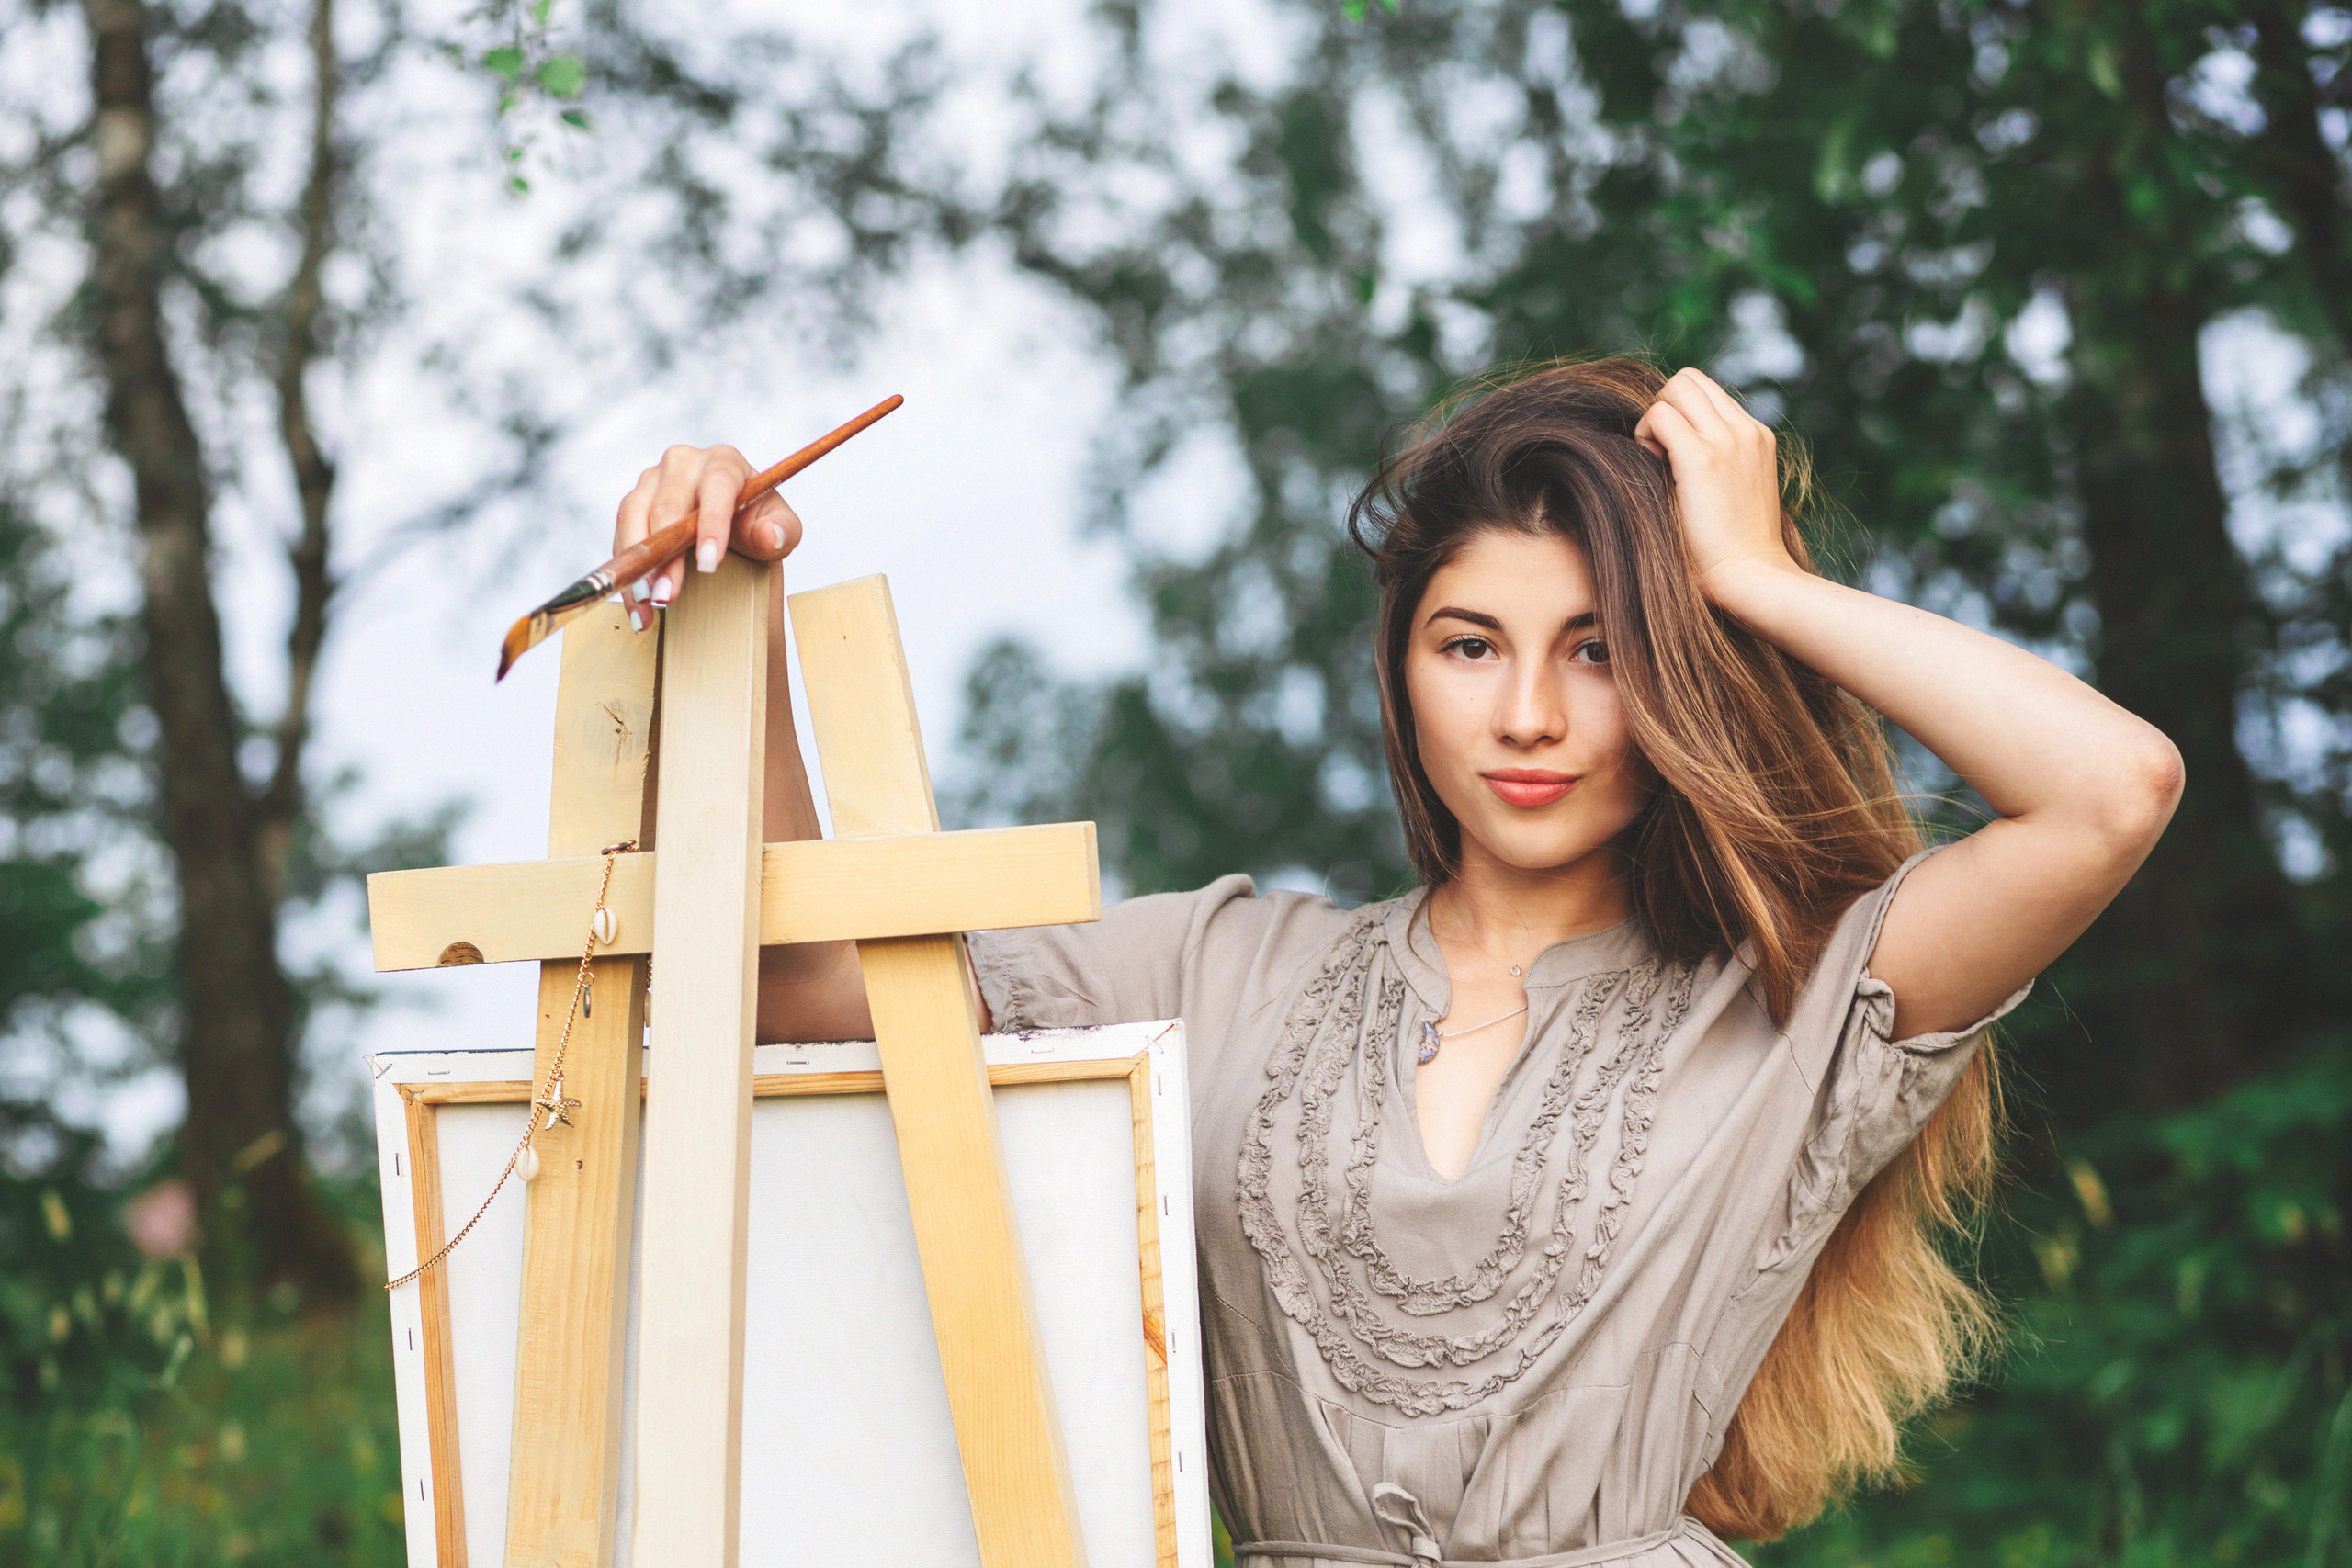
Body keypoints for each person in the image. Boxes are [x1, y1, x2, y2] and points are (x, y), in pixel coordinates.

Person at [612, 359, 2181, 1565]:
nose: (1528, 720)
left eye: (1601, 651)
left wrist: (1761, 583)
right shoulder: (1217, 969)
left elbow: (2113, 791)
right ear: (1402, 672)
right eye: (1470, 643)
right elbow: (810, 995)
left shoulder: (1796, 999)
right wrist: (735, 617)